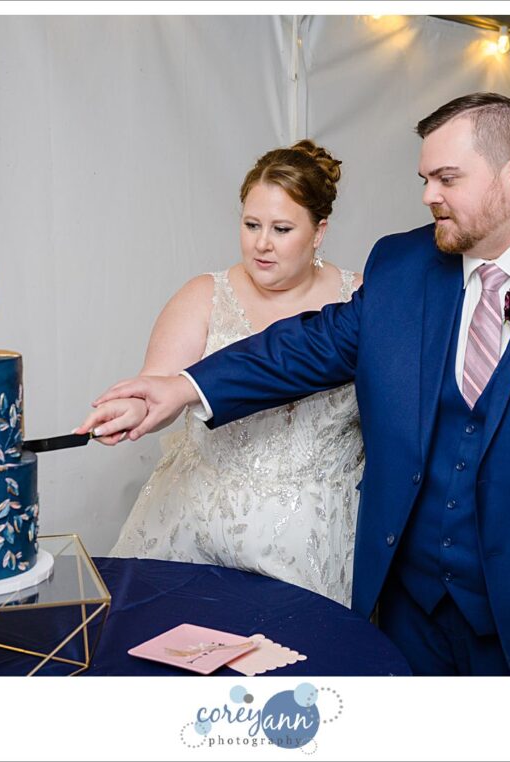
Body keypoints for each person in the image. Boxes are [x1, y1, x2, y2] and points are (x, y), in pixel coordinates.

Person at [89, 93, 510, 676]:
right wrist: (185, 387)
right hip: (408, 605)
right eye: (425, 179)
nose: (428, 196)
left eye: (447, 179)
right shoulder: (403, 264)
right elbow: (308, 344)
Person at [78, 140, 364, 607]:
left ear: (319, 231)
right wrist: (131, 406)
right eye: (251, 225)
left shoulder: (361, 300)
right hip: (195, 525)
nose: (262, 243)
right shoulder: (204, 294)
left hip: (313, 535)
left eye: (282, 228)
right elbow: (161, 384)